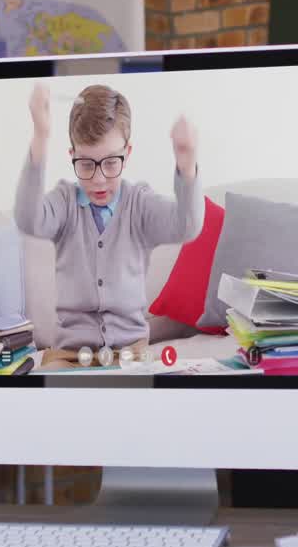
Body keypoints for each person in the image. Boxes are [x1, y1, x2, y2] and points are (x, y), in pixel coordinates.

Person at [15, 82, 205, 369]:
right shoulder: (65, 203)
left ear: (127, 154)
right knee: (46, 401)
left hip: (132, 354)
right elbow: (28, 218)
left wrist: (187, 164)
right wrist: (41, 135)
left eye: (111, 163)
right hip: (70, 355)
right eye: (87, 165)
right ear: (73, 156)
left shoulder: (139, 204)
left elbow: (187, 225)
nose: (99, 179)